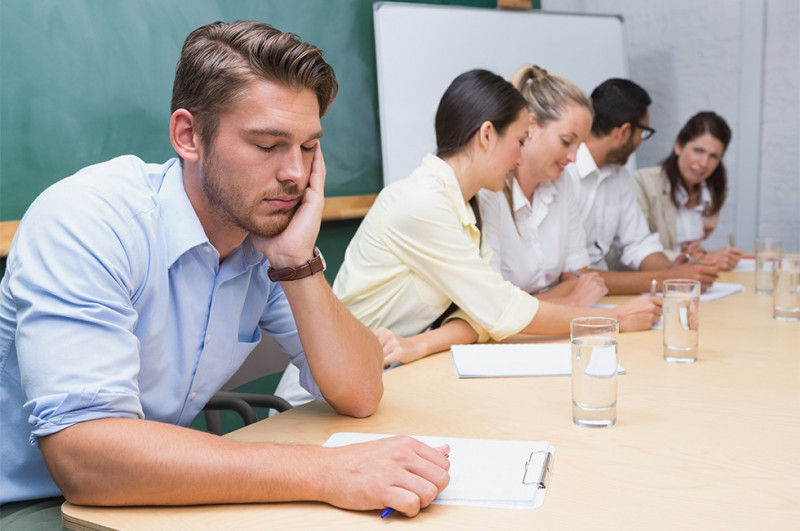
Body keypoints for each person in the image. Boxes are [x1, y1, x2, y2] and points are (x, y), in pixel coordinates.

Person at [0, 21, 451, 523]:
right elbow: (86, 459)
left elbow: (361, 392)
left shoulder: (260, 238)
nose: (296, 175)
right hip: (28, 501)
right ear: (189, 136)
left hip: (135, 494)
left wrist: (298, 264)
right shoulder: (89, 221)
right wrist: (328, 471)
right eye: (267, 145)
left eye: (308, 147)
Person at [273, 69, 660, 407]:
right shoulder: (423, 202)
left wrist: (423, 344)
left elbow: (480, 314)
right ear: (488, 135)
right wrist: (612, 321)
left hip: (384, 378)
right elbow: (501, 310)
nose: (520, 156)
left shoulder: (466, 202)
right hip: (317, 397)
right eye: (521, 141)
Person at [560, 78, 720, 294]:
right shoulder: (563, 172)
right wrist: (667, 278)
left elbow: (638, 244)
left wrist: (678, 271)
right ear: (624, 132)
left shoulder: (619, 176)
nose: (639, 142)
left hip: (600, 299)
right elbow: (574, 276)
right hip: (573, 299)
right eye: (642, 132)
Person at [478, 65, 606, 307]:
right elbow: (493, 307)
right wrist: (570, 299)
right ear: (531, 125)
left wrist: (541, 300)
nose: (573, 158)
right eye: (566, 141)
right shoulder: (489, 190)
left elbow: (581, 278)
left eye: (579, 147)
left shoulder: (563, 181)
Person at [632, 111, 741, 270]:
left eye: (714, 156)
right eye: (698, 151)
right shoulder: (643, 182)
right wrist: (697, 259)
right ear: (678, 147)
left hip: (689, 278)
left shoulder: (712, 191)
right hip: (655, 279)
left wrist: (697, 252)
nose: (704, 163)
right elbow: (637, 248)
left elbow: (688, 247)